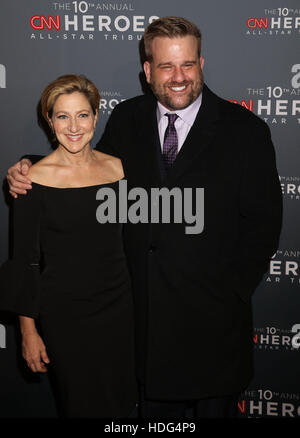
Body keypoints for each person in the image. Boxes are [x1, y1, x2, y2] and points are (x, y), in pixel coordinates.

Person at [6, 17, 282, 418]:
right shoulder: (127, 119)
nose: (178, 77)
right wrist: (29, 167)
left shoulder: (246, 131)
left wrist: (230, 293)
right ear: (148, 71)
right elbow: (84, 169)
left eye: (188, 64)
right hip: (142, 329)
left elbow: (264, 226)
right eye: (166, 67)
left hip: (213, 330)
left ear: (202, 63)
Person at [1, 74, 137, 418]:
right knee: (82, 404)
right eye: (62, 116)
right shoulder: (31, 181)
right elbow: (24, 261)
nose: (73, 126)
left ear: (96, 115)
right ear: (50, 121)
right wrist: (28, 332)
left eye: (82, 115)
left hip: (122, 310)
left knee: (122, 404)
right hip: (66, 316)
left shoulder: (121, 171)